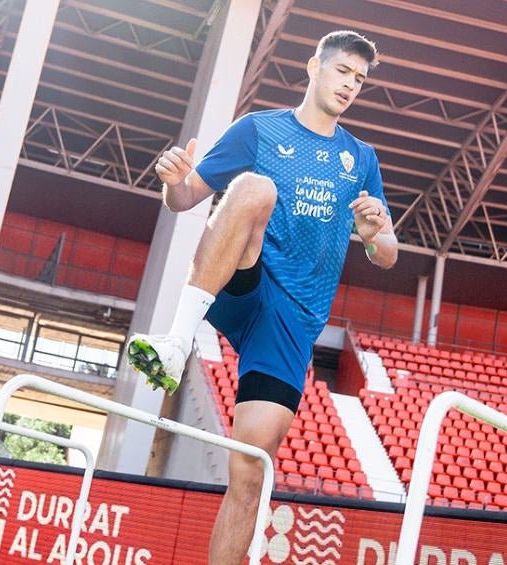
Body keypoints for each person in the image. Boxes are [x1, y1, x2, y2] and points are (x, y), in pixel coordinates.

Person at [126, 30, 398, 564]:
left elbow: (385, 253)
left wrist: (374, 234)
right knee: (256, 188)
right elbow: (185, 198)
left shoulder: (361, 158)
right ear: (314, 66)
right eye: (342, 71)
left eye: (360, 79)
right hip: (245, 282)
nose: (350, 85)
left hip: (292, 323)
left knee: (250, 472)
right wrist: (174, 181)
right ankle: (176, 343)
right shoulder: (259, 130)